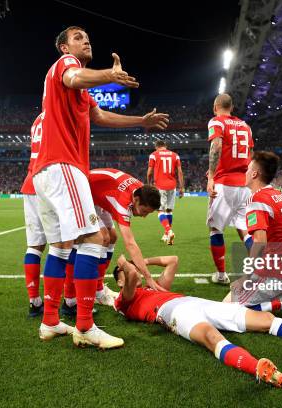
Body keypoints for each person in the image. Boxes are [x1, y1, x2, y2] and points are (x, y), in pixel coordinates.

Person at [31, 25, 169, 348]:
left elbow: (100, 116)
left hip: (46, 172)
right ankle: (84, 326)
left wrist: (141, 122)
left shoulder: (80, 90)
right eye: (77, 38)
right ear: (65, 47)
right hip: (64, 165)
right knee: (95, 238)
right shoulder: (67, 67)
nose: (85, 40)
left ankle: (50, 321)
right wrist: (111, 74)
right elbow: (75, 78)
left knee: (61, 247)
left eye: (87, 37)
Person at [113, 255, 282, 388]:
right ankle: (258, 369)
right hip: (173, 314)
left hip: (195, 301)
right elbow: (131, 273)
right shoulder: (123, 300)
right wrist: (127, 263)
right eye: (125, 273)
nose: (131, 272)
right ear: (120, 281)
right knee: (212, 338)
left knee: (266, 320)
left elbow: (173, 259)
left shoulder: (154, 287)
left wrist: (143, 263)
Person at [224, 151, 282, 320]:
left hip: (271, 273)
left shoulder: (257, 200)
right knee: (233, 293)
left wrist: (246, 277)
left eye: (247, 169)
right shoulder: (279, 195)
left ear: (254, 173)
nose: (245, 172)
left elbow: (260, 242)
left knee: (226, 310)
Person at [72, 168, 161, 310]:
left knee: (112, 237)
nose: (144, 216)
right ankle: (96, 292)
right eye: (144, 211)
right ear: (136, 200)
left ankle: (98, 289)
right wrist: (148, 277)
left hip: (98, 195)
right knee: (103, 238)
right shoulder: (123, 202)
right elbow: (130, 244)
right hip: (83, 195)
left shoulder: (141, 191)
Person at [206, 93, 254, 285]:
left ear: (215, 106)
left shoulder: (216, 122)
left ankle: (221, 275)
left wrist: (211, 176)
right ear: (232, 107)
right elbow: (250, 154)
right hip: (244, 184)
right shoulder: (245, 126)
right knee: (245, 229)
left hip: (224, 184)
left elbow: (216, 147)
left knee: (216, 229)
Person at [21, 114, 46, 318]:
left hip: (30, 182)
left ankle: (34, 301)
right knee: (66, 244)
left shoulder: (36, 120)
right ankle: (71, 301)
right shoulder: (60, 112)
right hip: (49, 181)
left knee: (34, 246)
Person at [147, 141, 184, 245]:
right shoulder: (175, 155)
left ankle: (169, 231)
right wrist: (181, 187)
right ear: (165, 146)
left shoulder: (153, 155)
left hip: (160, 186)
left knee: (160, 211)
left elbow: (149, 172)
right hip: (172, 186)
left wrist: (149, 184)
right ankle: (166, 235)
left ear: (156, 147)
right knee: (169, 211)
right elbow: (180, 172)